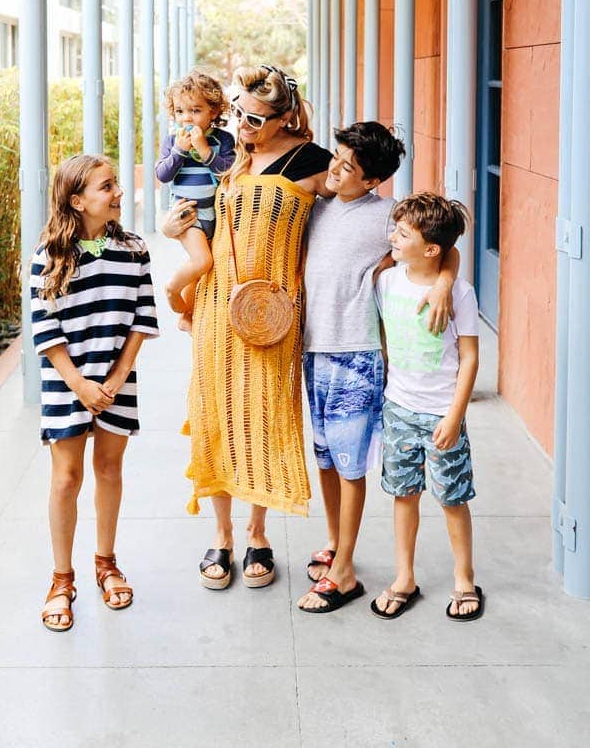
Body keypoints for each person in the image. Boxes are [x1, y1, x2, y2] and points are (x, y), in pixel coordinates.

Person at [163, 64, 332, 590]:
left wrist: (437, 275)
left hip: (274, 311)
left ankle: (258, 533)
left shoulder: (314, 161)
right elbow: (199, 217)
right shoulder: (228, 155)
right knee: (215, 413)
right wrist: (173, 235)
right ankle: (222, 535)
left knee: (264, 416)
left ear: (285, 118)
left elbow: (369, 219)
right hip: (218, 303)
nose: (243, 124)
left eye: (256, 118)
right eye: (237, 112)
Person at [298, 124, 458, 614]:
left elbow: (443, 245)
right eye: (337, 157)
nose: (336, 169)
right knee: (325, 458)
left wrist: (444, 284)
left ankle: (344, 571)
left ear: (371, 181)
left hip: (356, 353)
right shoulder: (317, 204)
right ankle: (334, 542)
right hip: (313, 350)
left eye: (348, 167)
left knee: (349, 465)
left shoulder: (386, 216)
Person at [30, 154, 159, 632]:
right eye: (107, 187)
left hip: (116, 381)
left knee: (109, 469)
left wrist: (118, 377)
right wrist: (79, 383)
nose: (117, 193)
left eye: (115, 184)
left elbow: (143, 318)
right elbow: (43, 329)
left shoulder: (134, 248)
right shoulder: (48, 255)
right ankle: (61, 579)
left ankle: (106, 563)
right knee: (66, 478)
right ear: (77, 200)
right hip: (68, 381)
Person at [371, 193, 483, 622]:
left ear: (432, 249)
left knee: (452, 498)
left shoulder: (462, 293)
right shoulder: (387, 281)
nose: (392, 238)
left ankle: (464, 578)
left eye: (402, 234)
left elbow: (470, 357)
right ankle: (404, 577)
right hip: (397, 408)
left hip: (441, 413)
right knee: (404, 495)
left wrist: (455, 416)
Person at [155, 69, 235, 330]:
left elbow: (227, 172)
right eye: (180, 111)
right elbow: (163, 174)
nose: (186, 118)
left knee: (204, 266)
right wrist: (181, 150)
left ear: (213, 111)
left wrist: (203, 149)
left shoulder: (223, 140)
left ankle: (187, 315)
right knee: (202, 261)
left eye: (195, 110)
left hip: (214, 214)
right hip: (188, 214)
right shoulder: (173, 141)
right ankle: (172, 289)